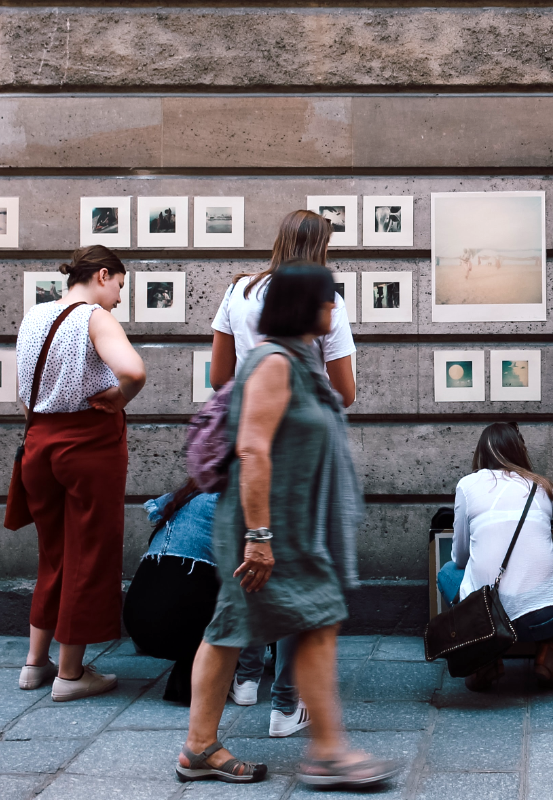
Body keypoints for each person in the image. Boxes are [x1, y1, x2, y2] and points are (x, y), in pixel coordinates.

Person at [178, 263, 399, 788]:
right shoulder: (274, 362)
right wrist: (258, 539)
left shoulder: (300, 362)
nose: (334, 309)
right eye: (328, 302)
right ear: (305, 306)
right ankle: (324, 751)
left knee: (247, 627)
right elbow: (252, 449)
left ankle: (201, 747)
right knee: (295, 624)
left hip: (290, 526)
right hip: (266, 527)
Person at [210, 209, 357, 737]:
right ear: (322, 246)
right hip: (299, 452)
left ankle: (246, 680)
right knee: (299, 573)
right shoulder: (327, 301)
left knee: (253, 577)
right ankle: (286, 703)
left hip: (247, 444)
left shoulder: (241, 291)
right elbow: (346, 391)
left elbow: (218, 376)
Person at [16, 245, 146, 701]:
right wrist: (120, 397)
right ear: (104, 276)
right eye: (119, 288)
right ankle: (70, 675)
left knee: (54, 553)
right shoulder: (93, 316)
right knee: (89, 551)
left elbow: (24, 390)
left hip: (39, 445)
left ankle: (35, 663)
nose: (117, 299)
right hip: (86, 447)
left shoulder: (35, 315)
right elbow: (133, 370)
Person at [437, 423, 553, 691]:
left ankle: (486, 659)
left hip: (486, 620)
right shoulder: (539, 485)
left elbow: (460, 559)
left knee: (447, 572)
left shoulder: (467, 485)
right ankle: (549, 648)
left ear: (480, 453)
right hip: (541, 620)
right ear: (520, 450)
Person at [123, 480, 219, 704]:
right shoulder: (229, 499)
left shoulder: (182, 496)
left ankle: (190, 663)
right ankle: (215, 671)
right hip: (179, 624)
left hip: (136, 623)